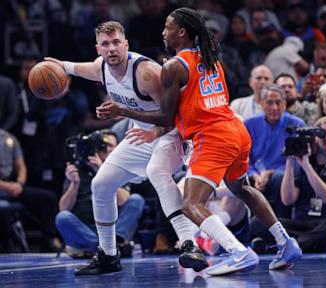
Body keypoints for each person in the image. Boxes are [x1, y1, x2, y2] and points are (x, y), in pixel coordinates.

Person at [97, 7, 302, 275]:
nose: (163, 32)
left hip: (212, 135)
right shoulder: (210, 57)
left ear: (181, 32)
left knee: (191, 205)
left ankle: (238, 252)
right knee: (243, 189)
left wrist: (121, 110)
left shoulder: (173, 67)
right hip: (236, 130)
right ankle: (285, 242)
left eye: (168, 27)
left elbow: (165, 117)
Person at [46, 20, 205, 276]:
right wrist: (59, 66)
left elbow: (175, 115)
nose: (112, 49)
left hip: (171, 133)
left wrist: (147, 128)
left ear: (126, 44)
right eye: (106, 44)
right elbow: (79, 68)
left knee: (158, 173)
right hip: (141, 135)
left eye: (117, 42)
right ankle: (108, 254)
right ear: (98, 48)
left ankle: (190, 245)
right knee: (101, 184)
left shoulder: (146, 73)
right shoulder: (102, 68)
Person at [251, 116, 326, 252]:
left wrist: (307, 166)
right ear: (314, 139)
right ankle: (314, 244)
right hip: (301, 222)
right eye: (322, 135)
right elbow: (287, 200)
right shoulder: (302, 161)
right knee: (257, 222)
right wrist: (290, 164)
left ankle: (288, 245)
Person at [55, 129, 145, 257]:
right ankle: (107, 248)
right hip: (85, 230)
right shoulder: (77, 170)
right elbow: (63, 209)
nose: (107, 149)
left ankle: (109, 245)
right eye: (103, 146)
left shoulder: (120, 170)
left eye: (111, 146)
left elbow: (124, 200)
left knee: (136, 200)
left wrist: (102, 171)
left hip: (112, 230)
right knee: (62, 217)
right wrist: (74, 183)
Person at [244, 84, 305, 217]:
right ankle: (252, 230)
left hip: (283, 174)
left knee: (279, 178)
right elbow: (243, 158)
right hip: (254, 174)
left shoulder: (297, 124)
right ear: (261, 103)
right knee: (241, 179)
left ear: (285, 103)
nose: (274, 107)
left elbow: (298, 161)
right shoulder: (249, 124)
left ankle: (282, 223)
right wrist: (255, 175)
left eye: (278, 102)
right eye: (269, 102)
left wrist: (270, 173)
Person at [0, 129, 60, 252]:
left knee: (48, 198)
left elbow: (21, 166)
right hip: (4, 187)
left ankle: (49, 241)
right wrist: (7, 186)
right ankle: (8, 247)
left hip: (12, 186)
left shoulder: (8, 137)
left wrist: (20, 184)